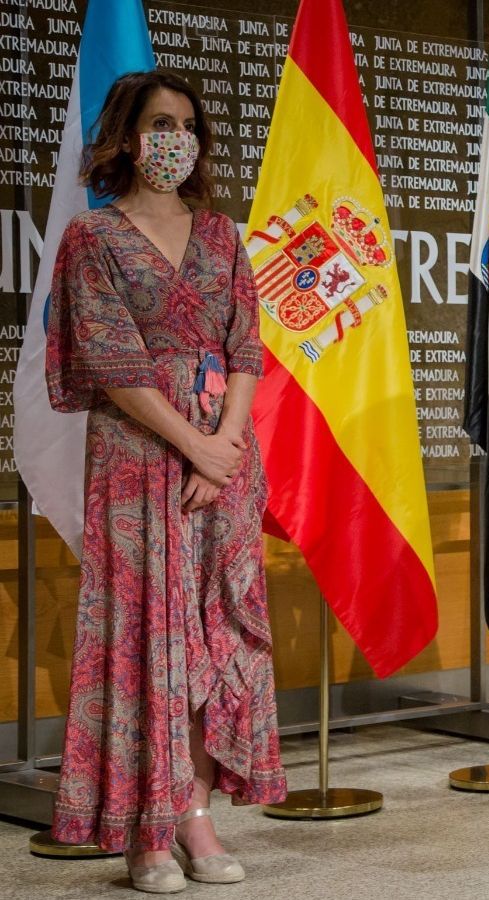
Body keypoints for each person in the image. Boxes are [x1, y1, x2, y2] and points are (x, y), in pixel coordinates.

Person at [44, 71, 285, 893]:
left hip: (223, 459)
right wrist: (194, 445)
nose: (172, 137)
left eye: (185, 124)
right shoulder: (94, 238)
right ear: (125, 135)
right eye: (157, 123)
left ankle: (197, 815)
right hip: (139, 457)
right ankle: (146, 830)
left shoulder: (221, 235)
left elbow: (247, 346)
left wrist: (224, 447)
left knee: (219, 635)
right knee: (153, 636)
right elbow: (111, 363)